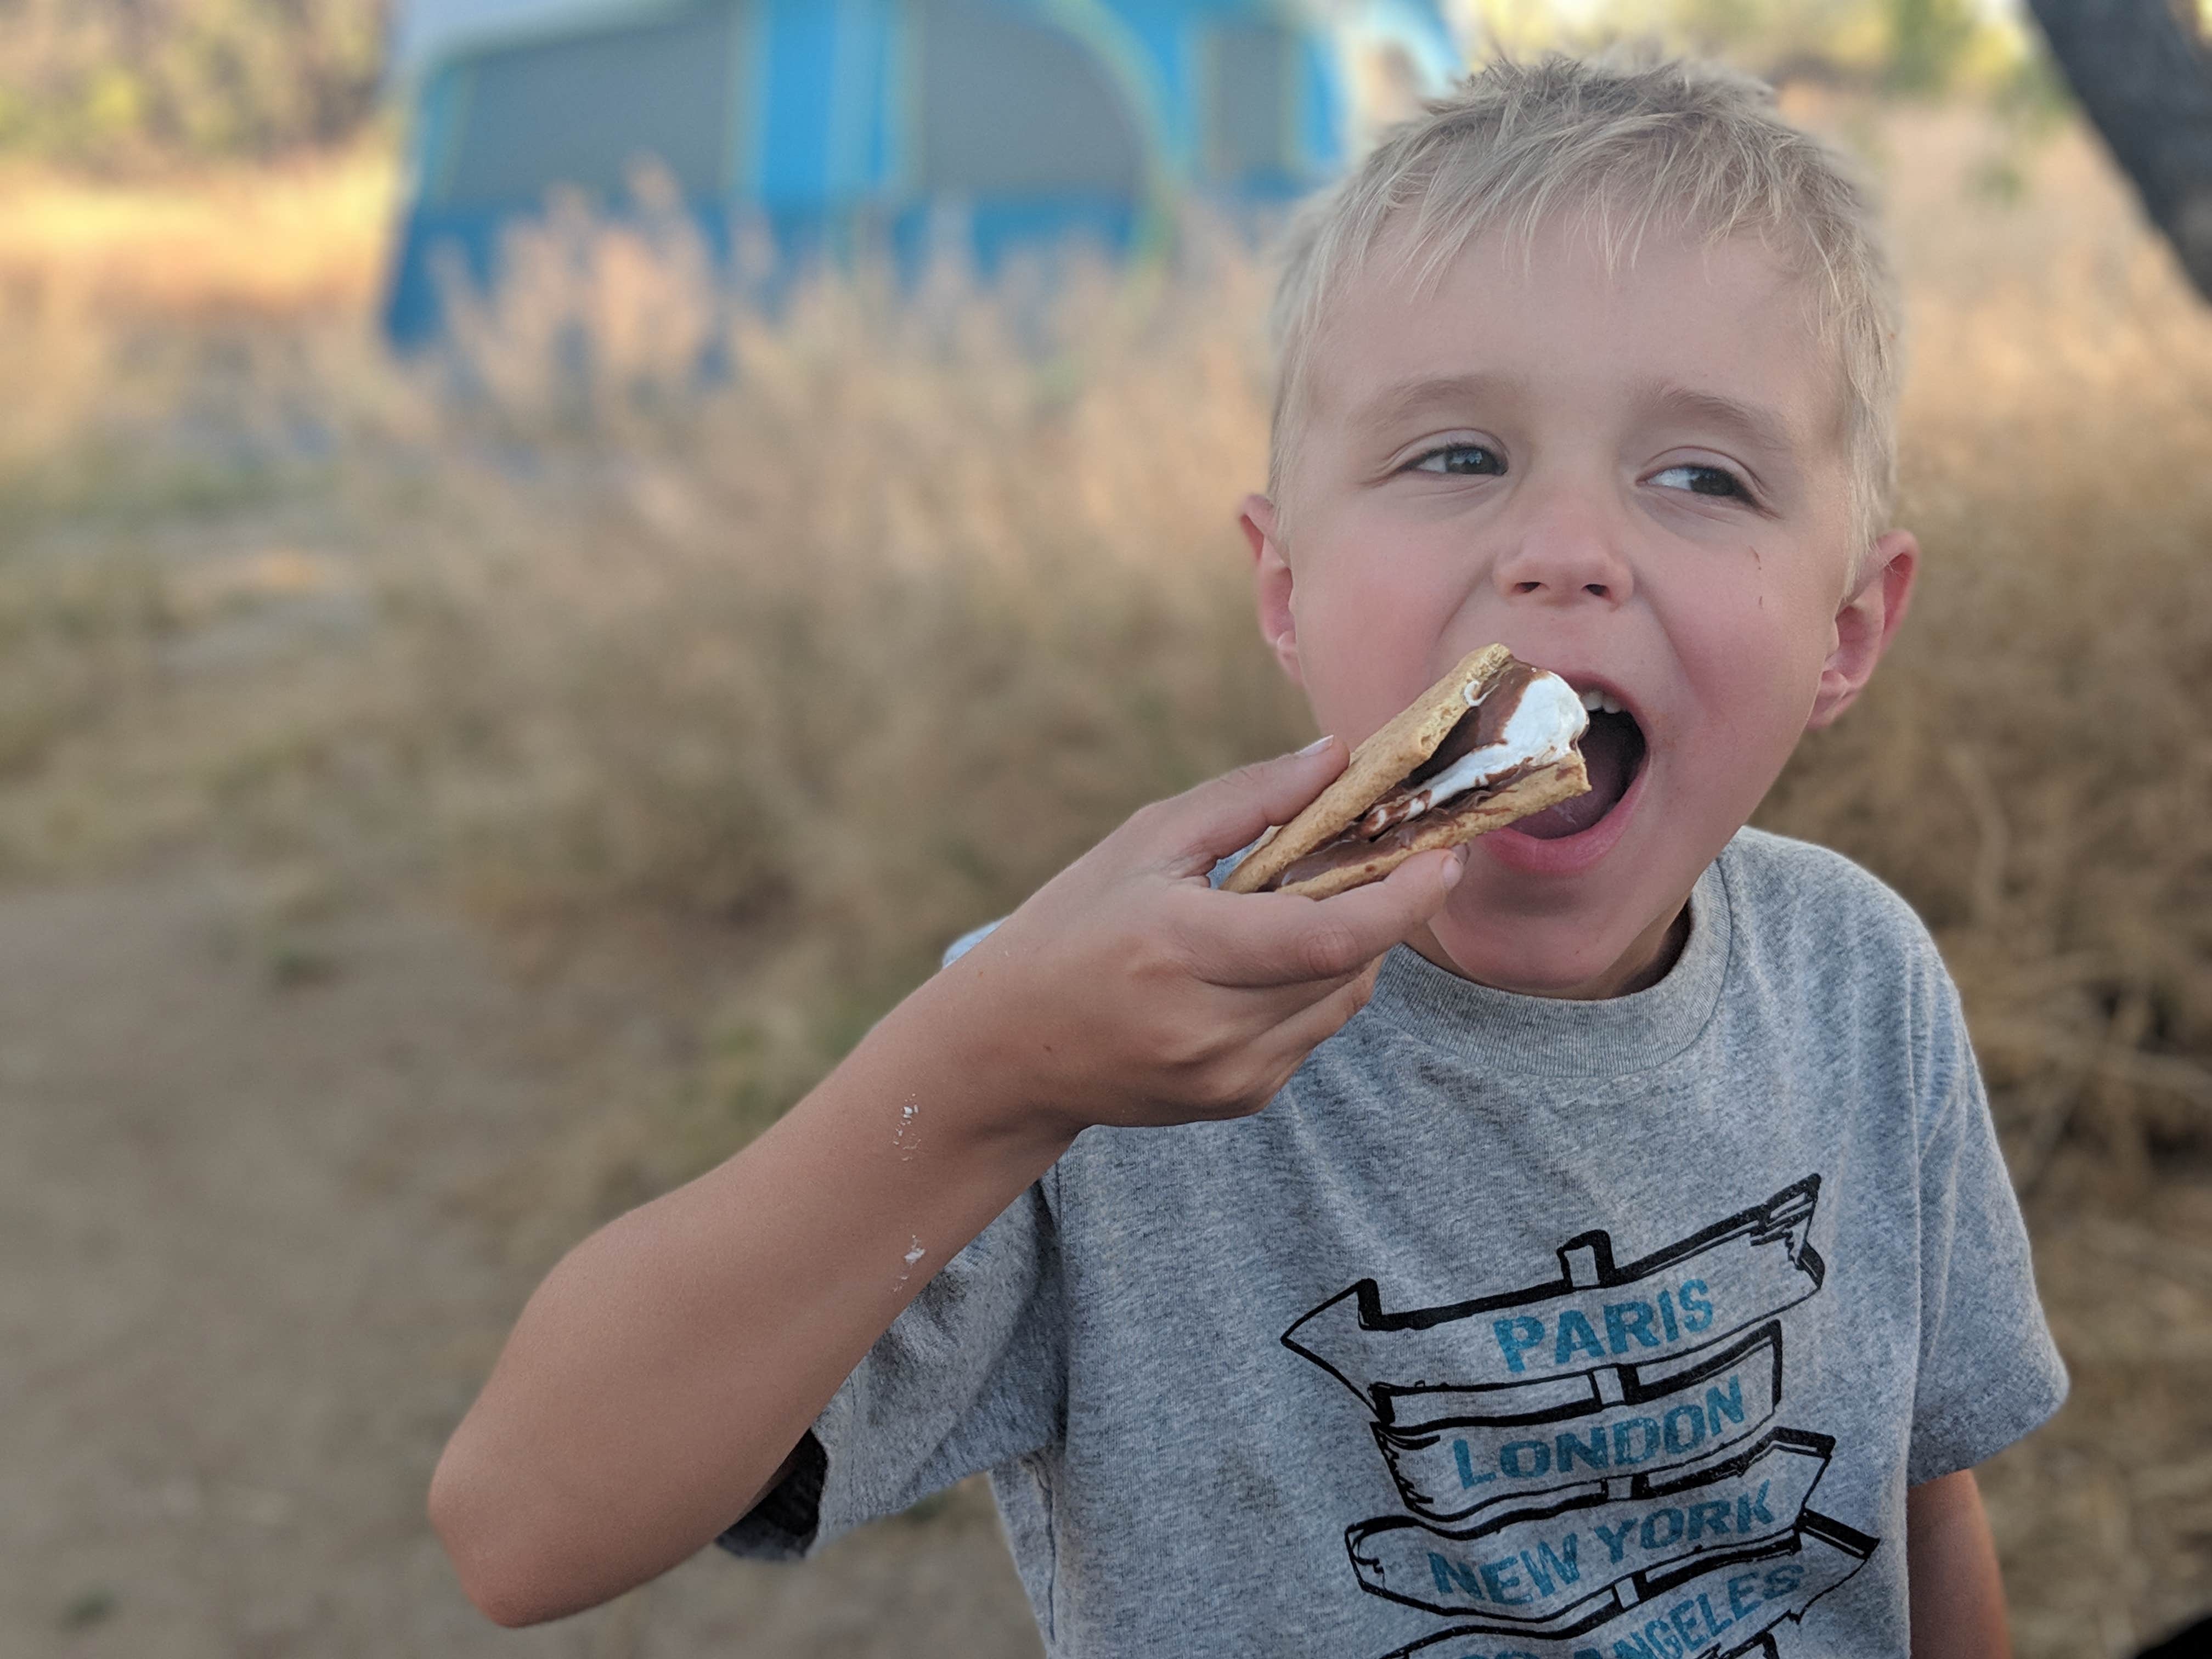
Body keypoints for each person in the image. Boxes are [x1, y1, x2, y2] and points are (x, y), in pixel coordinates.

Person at [426, 54, 2067, 1658]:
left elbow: (1919, 1503)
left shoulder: (1859, 978)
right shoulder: (1098, 1032)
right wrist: (990, 1068)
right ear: (1284, 590)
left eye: (1701, 476)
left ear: (1849, 630)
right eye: (1458, 456)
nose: (1568, 551)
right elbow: (525, 1528)